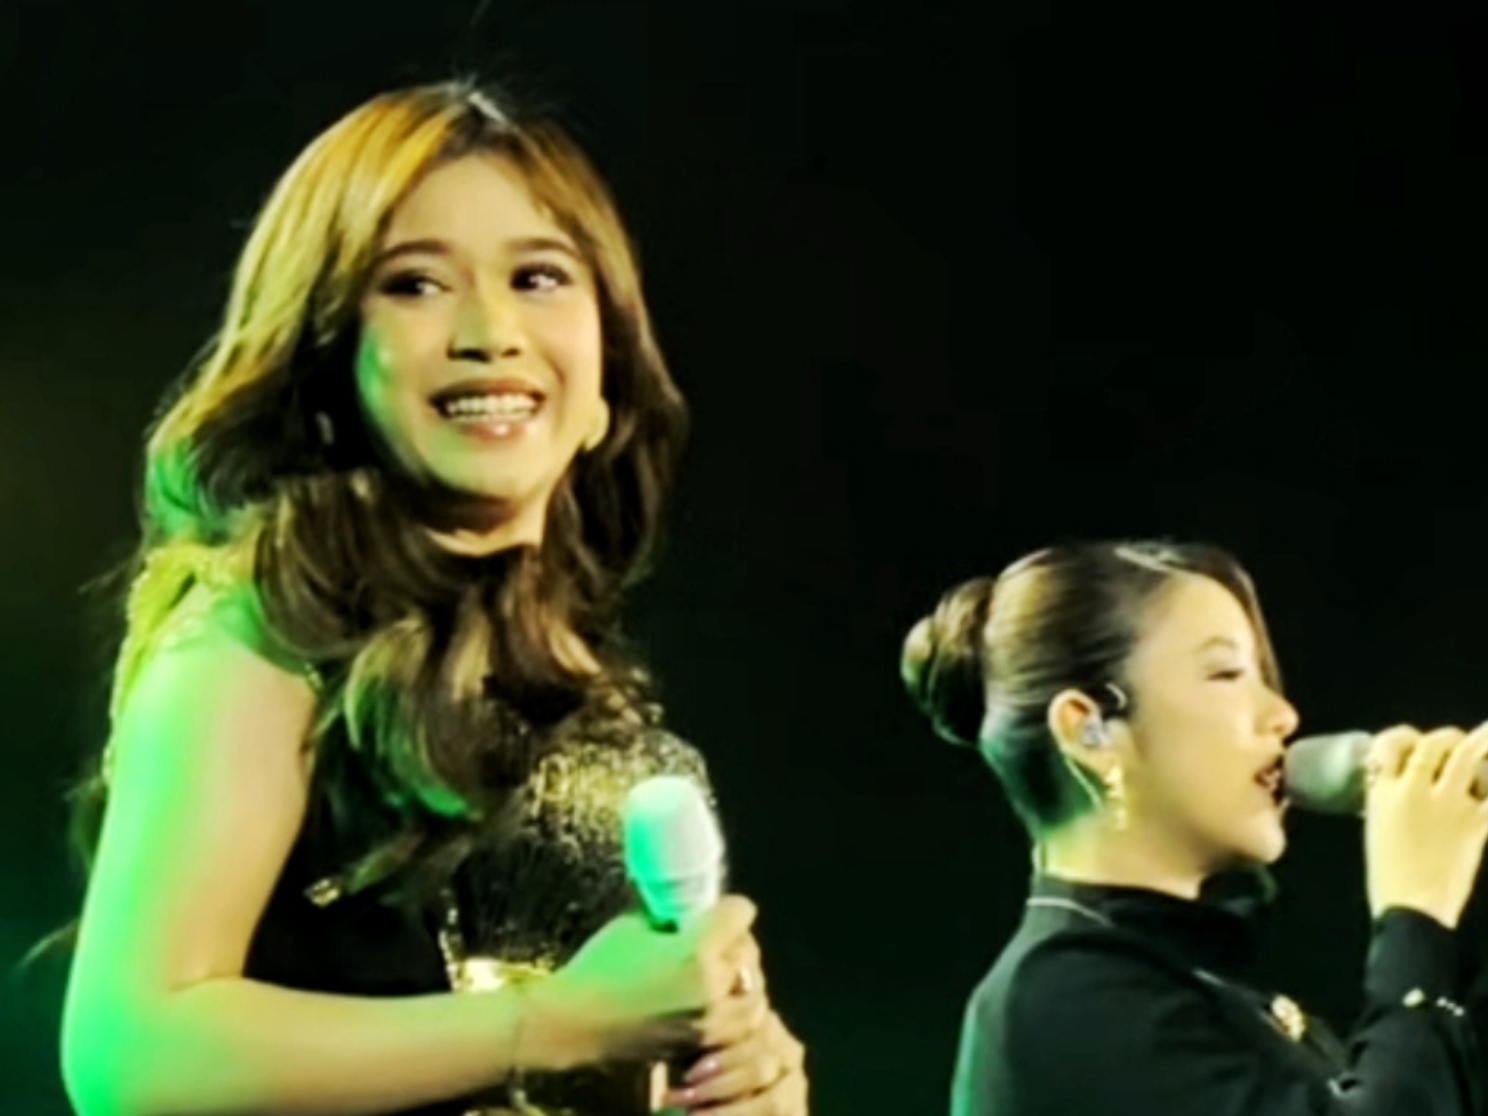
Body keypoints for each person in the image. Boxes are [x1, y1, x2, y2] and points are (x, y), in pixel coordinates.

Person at [58, 81, 807, 1116]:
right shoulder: (258, 638)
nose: (490, 331)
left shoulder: (590, 687)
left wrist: (750, 1079)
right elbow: (133, 1055)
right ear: (325, 361)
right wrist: (555, 1025)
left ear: (606, 381)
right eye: (414, 285)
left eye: (539, 277)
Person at [901, 540, 1488, 1116]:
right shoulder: (1064, 998)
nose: (1282, 715)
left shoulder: (1177, 980)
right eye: (1227, 673)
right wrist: (1416, 913)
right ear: (1091, 731)